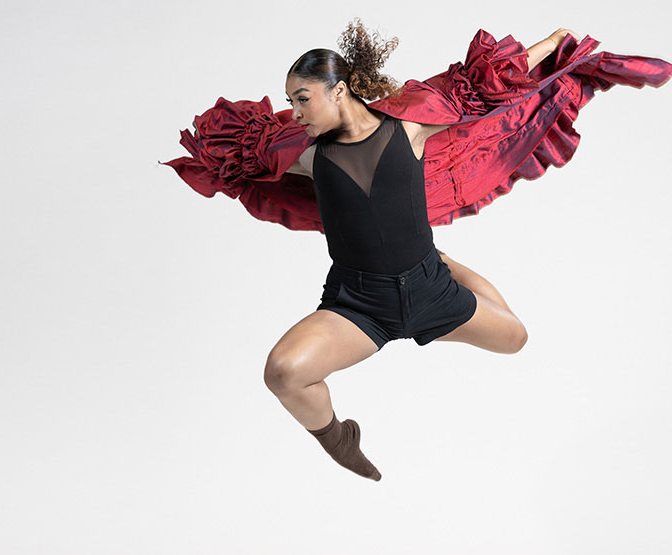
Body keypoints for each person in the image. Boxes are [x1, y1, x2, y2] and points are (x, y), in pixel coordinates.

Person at [160, 19, 672, 482]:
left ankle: (443, 264)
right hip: (360, 305)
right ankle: (338, 440)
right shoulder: (307, 157)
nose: (295, 111)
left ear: (339, 90)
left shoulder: (411, 125)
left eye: (302, 98)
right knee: (284, 373)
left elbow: (480, 88)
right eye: (290, 101)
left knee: (516, 338)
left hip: (431, 291)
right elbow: (238, 153)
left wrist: (555, 43)